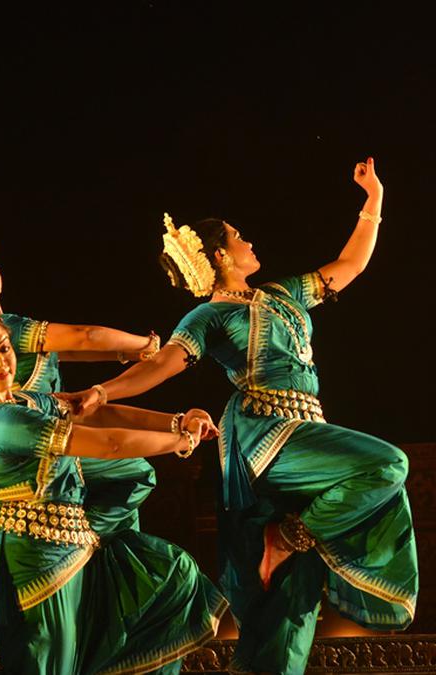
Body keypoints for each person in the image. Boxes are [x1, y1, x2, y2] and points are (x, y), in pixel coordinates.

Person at [63, 158, 416, 673]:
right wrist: (101, 390)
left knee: (290, 597)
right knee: (386, 464)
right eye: (238, 235)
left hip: (309, 432)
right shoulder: (209, 315)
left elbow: (351, 264)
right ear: (222, 255)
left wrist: (374, 200)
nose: (249, 241)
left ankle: (289, 558)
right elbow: (163, 364)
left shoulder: (282, 295)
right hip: (266, 435)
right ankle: (286, 535)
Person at [0, 302, 228, 674]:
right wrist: (179, 442)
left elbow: (96, 412)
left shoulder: (23, 400)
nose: (1, 361)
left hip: (71, 547)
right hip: (33, 564)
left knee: (172, 575)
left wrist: (176, 422)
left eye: (4, 348)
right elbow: (108, 444)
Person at [0, 218, 162, 656]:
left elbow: (71, 350)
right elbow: (84, 336)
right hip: (33, 456)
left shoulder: (8, 333)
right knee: (132, 468)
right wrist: (145, 346)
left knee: (129, 469)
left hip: (47, 445)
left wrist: (124, 355)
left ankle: (95, 558)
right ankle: (99, 557)